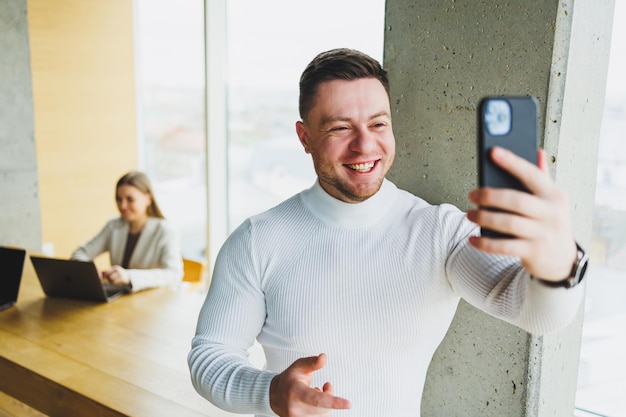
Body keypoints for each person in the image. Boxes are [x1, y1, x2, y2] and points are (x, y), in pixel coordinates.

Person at [188, 48, 587, 417]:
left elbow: (539, 315)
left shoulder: (440, 231)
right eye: (340, 128)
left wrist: (560, 264)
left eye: (378, 123)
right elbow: (210, 355)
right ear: (304, 138)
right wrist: (270, 391)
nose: (365, 145)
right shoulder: (258, 240)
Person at [71, 171, 183, 292]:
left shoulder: (165, 231)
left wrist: (129, 276)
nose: (123, 206)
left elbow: (174, 274)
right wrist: (89, 272)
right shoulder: (113, 226)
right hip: (122, 299)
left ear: (148, 199)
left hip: (154, 301)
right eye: (119, 199)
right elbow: (80, 253)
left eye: (130, 199)